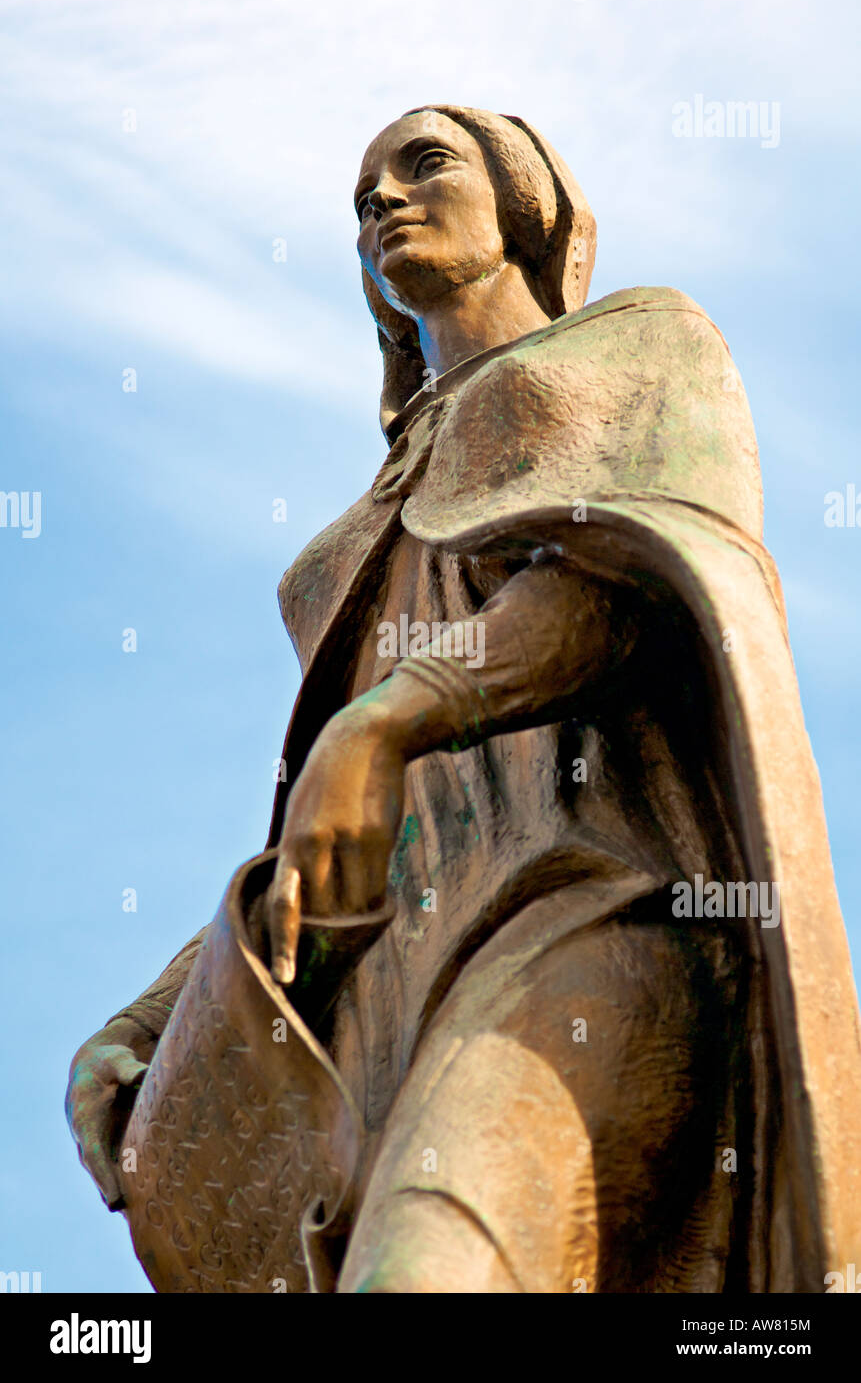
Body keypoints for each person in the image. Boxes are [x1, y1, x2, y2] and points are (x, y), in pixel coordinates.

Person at [66, 106, 861, 1293]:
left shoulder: (646, 350)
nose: (383, 199)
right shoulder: (381, 512)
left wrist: (392, 712)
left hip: (587, 912)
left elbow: (631, 577)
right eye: (359, 197)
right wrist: (157, 1015)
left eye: (423, 163)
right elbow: (346, 834)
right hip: (388, 999)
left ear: (524, 206)